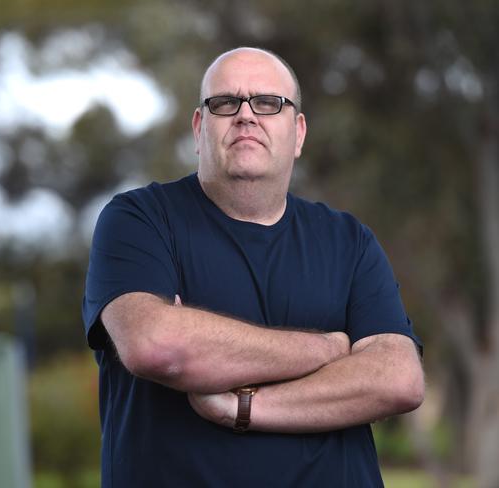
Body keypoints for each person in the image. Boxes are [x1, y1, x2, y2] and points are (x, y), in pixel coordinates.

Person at [82, 46, 424, 487]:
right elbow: (158, 347)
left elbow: (398, 380)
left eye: (269, 103)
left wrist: (241, 407)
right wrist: (330, 350)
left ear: (298, 133)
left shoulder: (349, 241)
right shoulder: (139, 220)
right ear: (199, 127)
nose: (246, 115)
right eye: (225, 103)